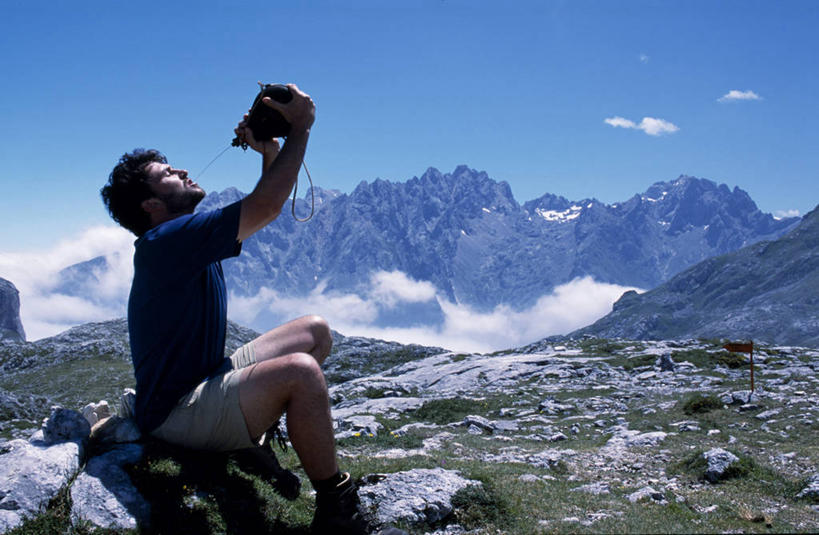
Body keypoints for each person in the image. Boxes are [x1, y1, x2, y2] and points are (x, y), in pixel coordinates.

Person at [101, 85, 397, 535]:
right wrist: (301, 128)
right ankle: (337, 510)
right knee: (300, 372)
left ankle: (247, 438)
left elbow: (261, 208)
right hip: (176, 412)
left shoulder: (179, 236)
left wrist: (270, 151)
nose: (182, 170)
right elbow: (266, 205)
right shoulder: (166, 241)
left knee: (314, 330)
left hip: (205, 379)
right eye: (168, 173)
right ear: (151, 205)